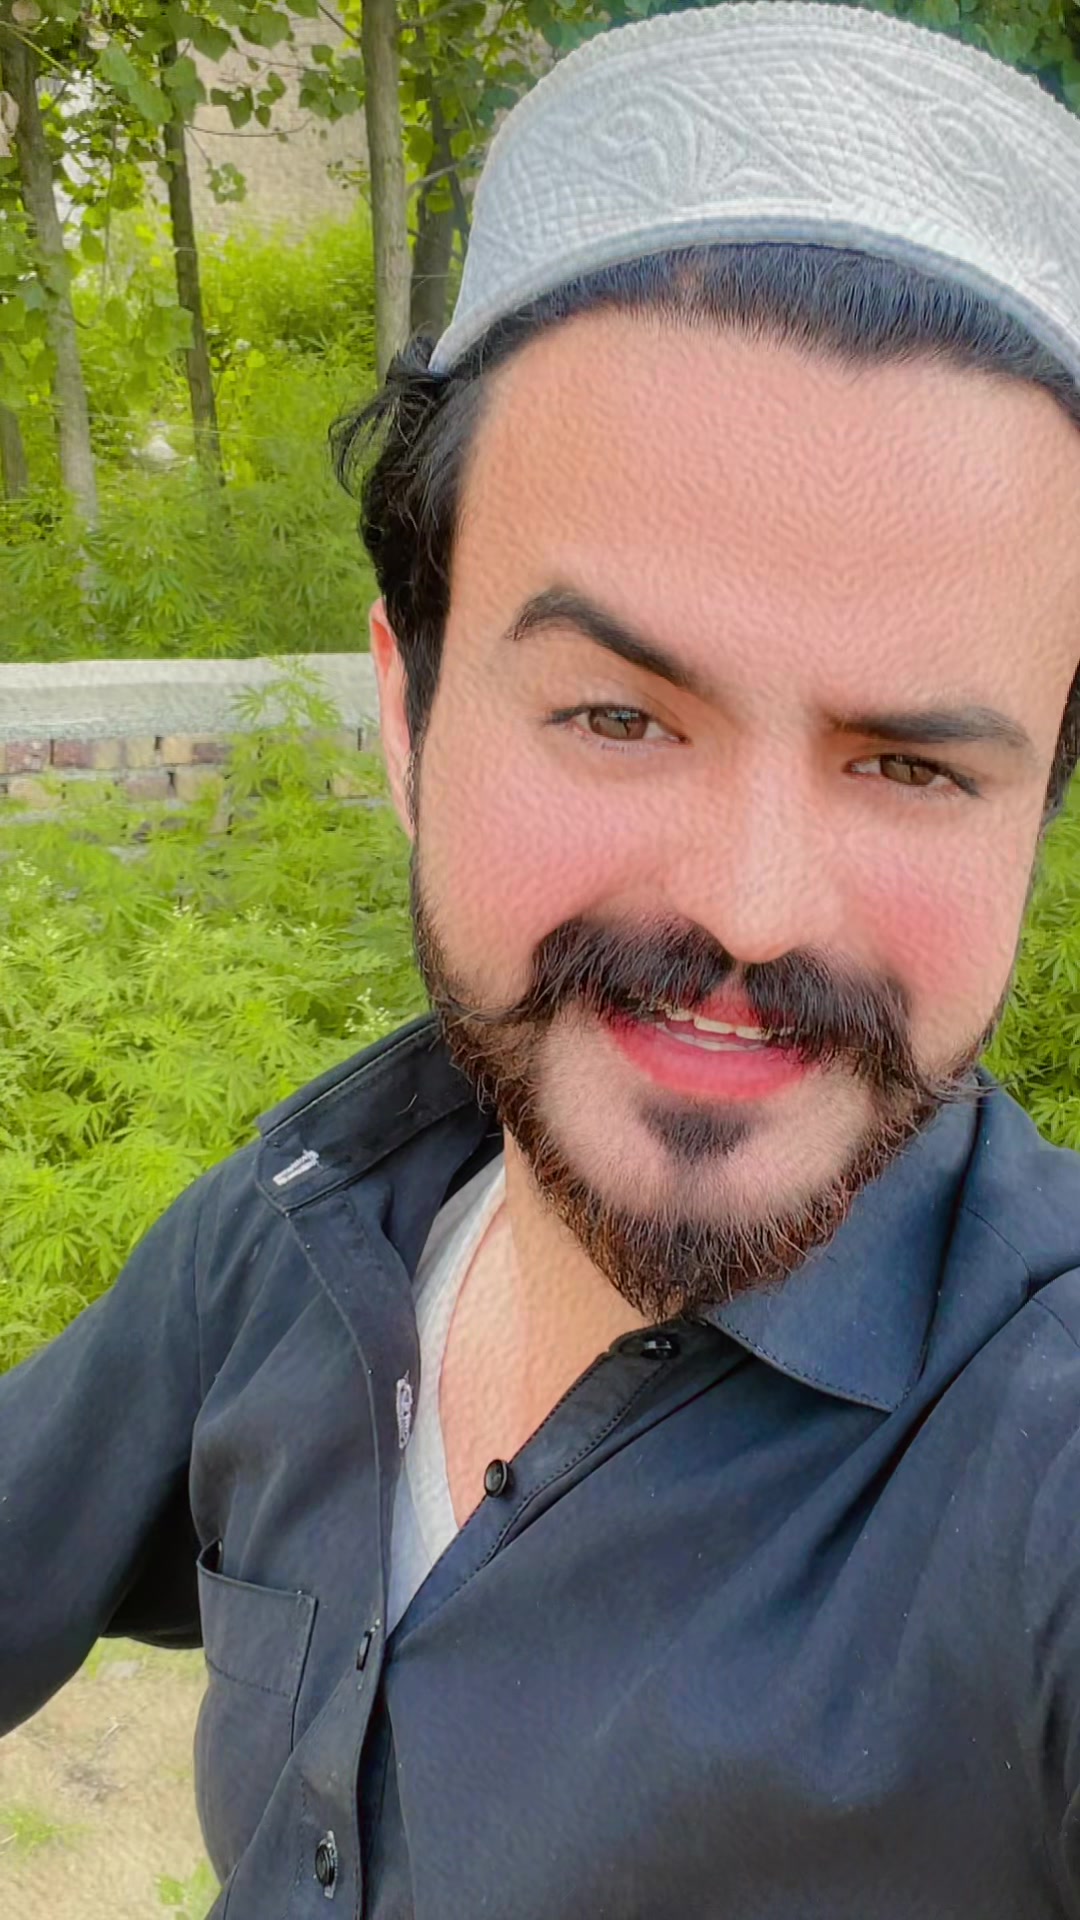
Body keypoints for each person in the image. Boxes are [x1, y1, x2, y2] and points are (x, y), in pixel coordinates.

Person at [4, 2, 1080, 1913]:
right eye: (618, 715)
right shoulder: (305, 1229)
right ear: (406, 713)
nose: (755, 906)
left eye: (911, 764)